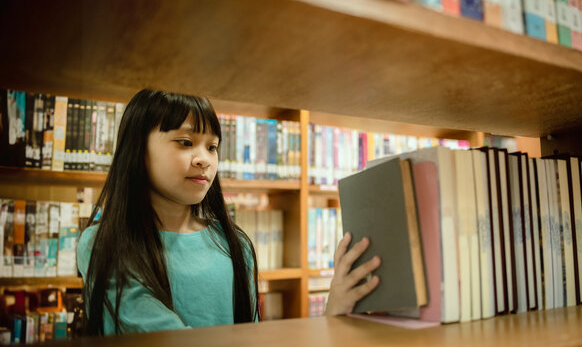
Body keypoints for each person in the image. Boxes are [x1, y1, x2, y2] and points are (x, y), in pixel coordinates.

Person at [77, 89, 381, 335]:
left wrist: (334, 313)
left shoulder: (233, 242)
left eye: (212, 147)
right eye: (185, 142)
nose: (204, 160)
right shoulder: (104, 243)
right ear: (136, 149)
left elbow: (251, 335)